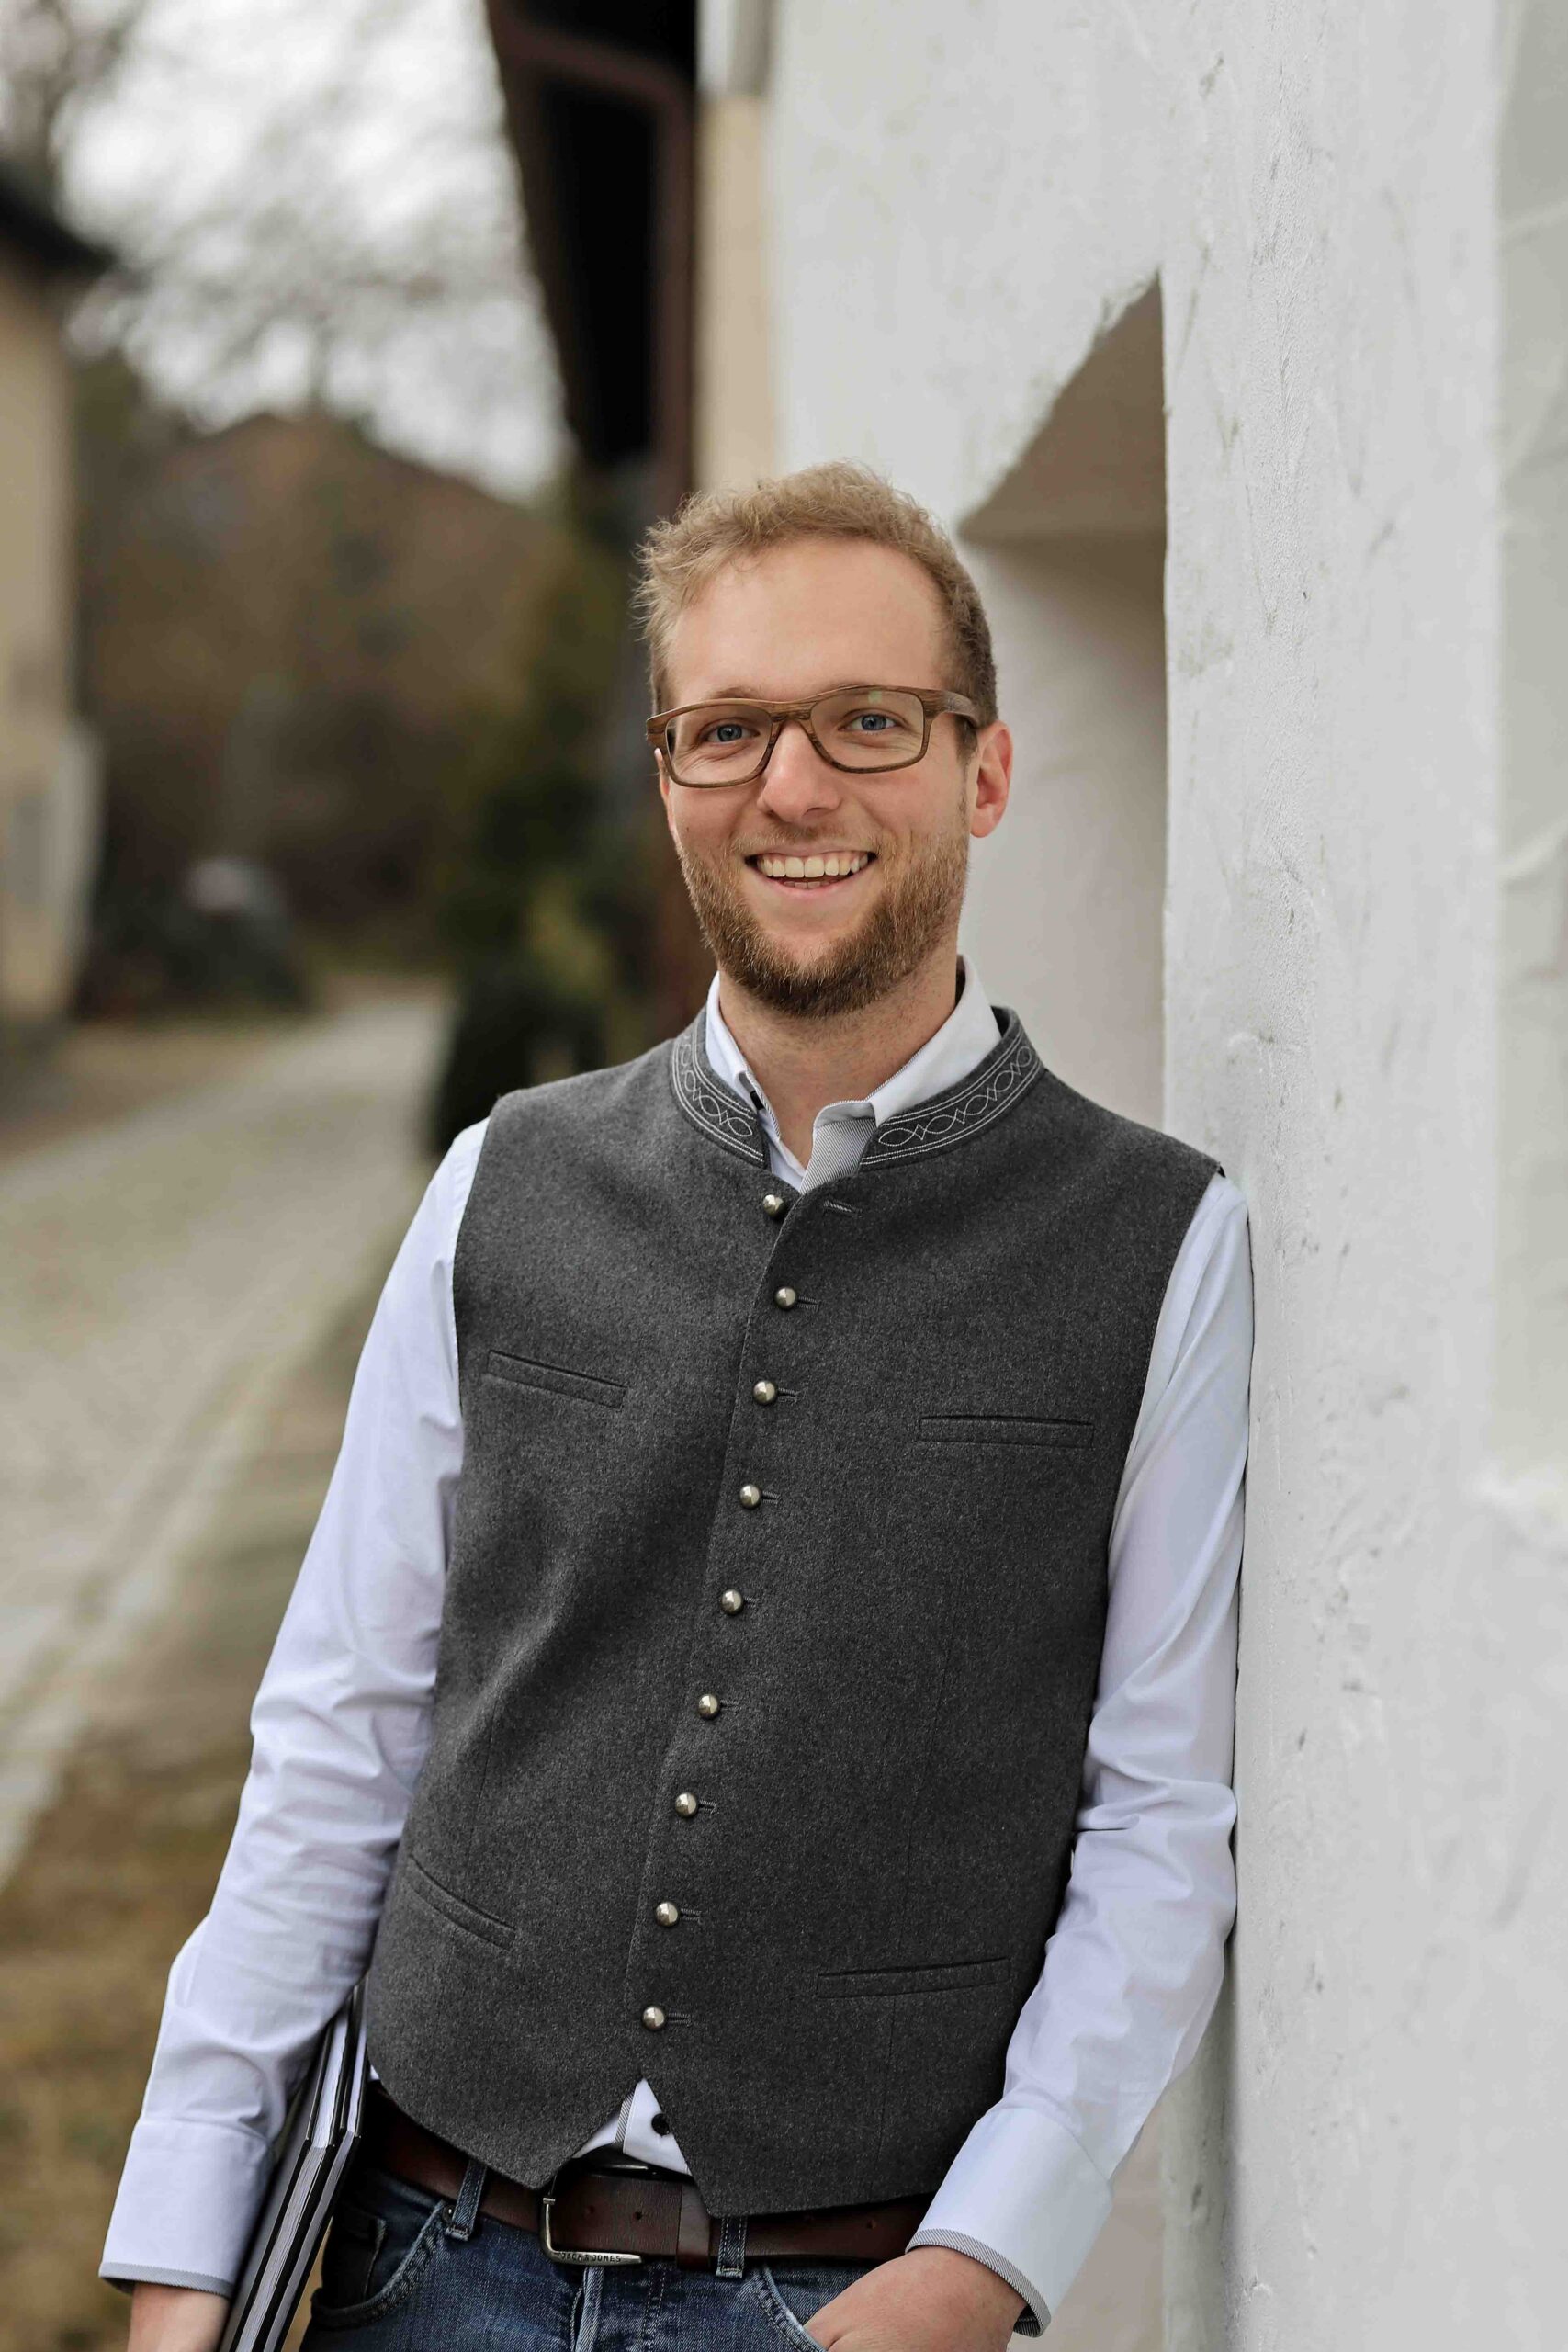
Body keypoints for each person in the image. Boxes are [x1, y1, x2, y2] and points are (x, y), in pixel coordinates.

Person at [103, 462, 1252, 2351]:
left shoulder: (1155, 1241)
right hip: (416, 2256)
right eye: (725, 730)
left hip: (842, 2295)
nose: (789, 786)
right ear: (667, 782)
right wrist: (181, 2254)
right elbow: (338, 1732)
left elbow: (1154, 1817)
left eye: (863, 720)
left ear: (980, 770)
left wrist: (974, 2267)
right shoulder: (502, 1180)